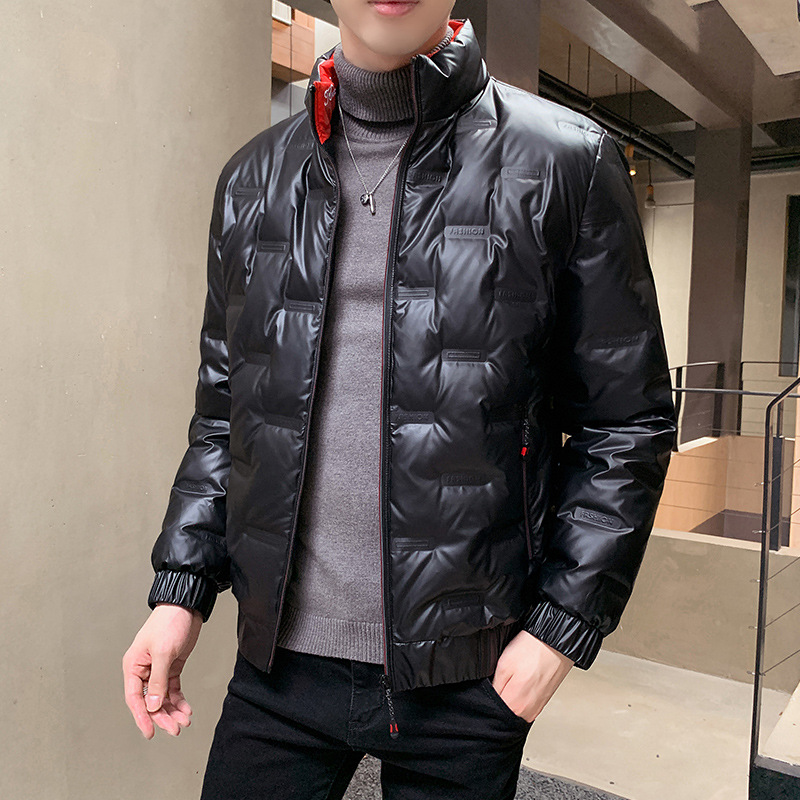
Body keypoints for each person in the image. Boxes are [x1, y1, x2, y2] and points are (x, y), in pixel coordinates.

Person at [122, 1, 677, 798]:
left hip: (467, 679)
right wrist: (181, 590)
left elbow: (626, 425)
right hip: (278, 667)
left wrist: (560, 631)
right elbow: (225, 417)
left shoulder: (568, 162)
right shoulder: (253, 177)